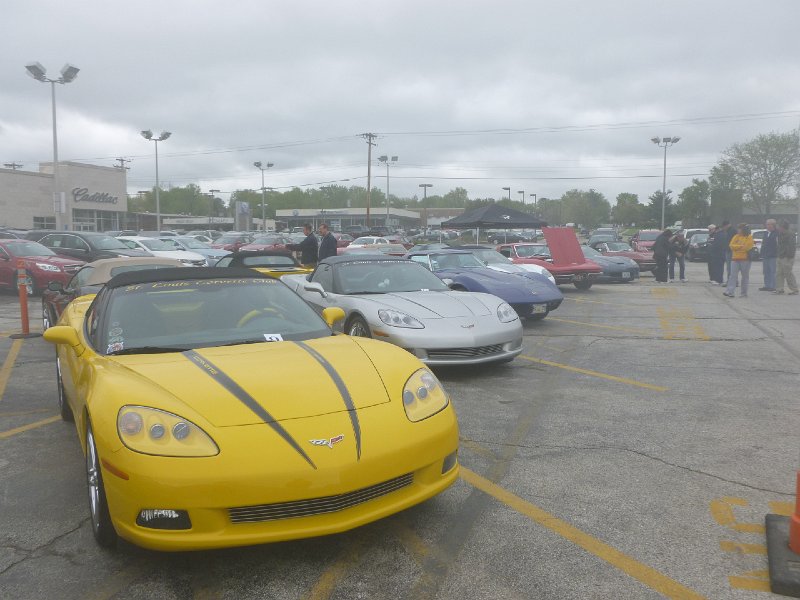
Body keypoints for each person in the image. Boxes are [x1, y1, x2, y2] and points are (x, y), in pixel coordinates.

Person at [723, 223, 754, 298]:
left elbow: (747, 247)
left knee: (745, 276)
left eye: (740, 228)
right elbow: (731, 245)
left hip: (745, 259)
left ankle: (744, 293)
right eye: (738, 228)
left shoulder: (749, 237)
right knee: (732, 276)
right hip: (735, 259)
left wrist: (737, 247)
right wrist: (740, 247)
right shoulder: (736, 236)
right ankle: (730, 291)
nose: (738, 230)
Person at [774, 219, 798, 295]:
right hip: (780, 256)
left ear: (782, 227)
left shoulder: (790, 234)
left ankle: (794, 289)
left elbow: (791, 247)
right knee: (779, 273)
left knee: (788, 273)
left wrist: (788, 256)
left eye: (779, 226)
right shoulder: (780, 234)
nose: (777, 227)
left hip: (787, 257)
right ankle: (779, 289)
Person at [759, 219, 778, 291]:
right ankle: (767, 285)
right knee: (766, 271)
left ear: (773, 225)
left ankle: (773, 286)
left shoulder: (777, 233)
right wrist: (761, 253)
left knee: (773, 271)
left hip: (773, 255)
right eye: (767, 224)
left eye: (770, 224)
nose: (768, 226)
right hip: (765, 255)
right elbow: (763, 244)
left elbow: (777, 245)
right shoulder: (765, 233)